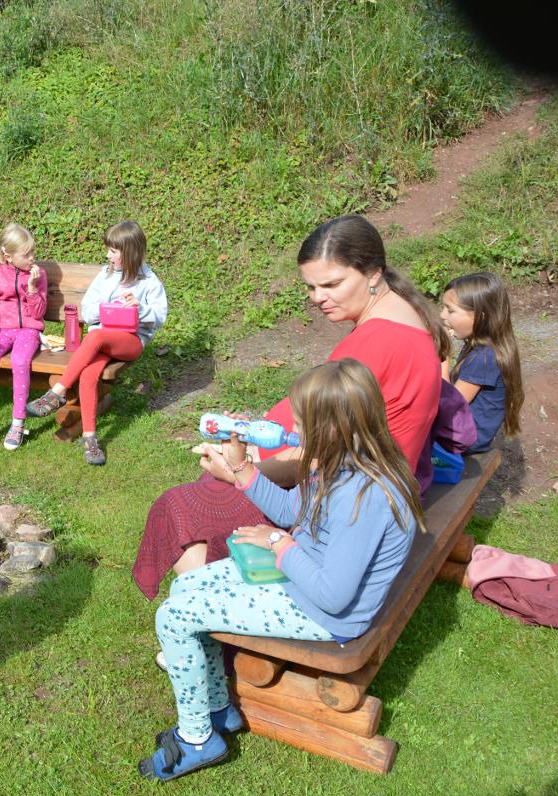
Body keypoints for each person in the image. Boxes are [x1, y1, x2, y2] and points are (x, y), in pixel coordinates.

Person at [132, 215, 446, 599]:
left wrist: (239, 470)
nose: (317, 297)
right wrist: (252, 445)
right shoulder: (397, 316)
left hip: (346, 497)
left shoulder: (378, 342)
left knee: (184, 505)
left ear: (373, 274)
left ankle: (226, 612)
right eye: (311, 286)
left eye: (331, 284)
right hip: (354, 481)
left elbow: (318, 455)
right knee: (207, 492)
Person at [140, 359, 423, 780]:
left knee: (174, 616)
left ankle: (197, 740)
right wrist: (241, 467)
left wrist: (279, 544)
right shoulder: (343, 464)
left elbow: (334, 595)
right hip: (304, 581)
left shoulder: (362, 498)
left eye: (302, 424)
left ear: (330, 429)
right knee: (186, 588)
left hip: (324, 612)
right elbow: (293, 510)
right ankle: (218, 709)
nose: (293, 431)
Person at [24, 220, 168, 465]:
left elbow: (159, 317)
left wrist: (138, 308)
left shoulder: (148, 281)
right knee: (89, 373)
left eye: (113, 251)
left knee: (95, 336)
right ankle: (90, 439)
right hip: (101, 341)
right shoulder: (105, 275)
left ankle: (57, 393)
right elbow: (88, 310)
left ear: (129, 252)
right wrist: (107, 309)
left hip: (130, 342)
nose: (107, 255)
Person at [0, 223, 48, 451]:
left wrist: (32, 288)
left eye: (33, 252)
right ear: (8, 256)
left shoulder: (39, 275)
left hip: (29, 331)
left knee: (19, 361)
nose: (32, 258)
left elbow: (38, 313)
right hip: (2, 330)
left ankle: (18, 422)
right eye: (26, 254)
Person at [439, 271, 524, 453]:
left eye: (450, 310)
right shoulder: (481, 347)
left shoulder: (484, 358)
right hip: (465, 432)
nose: (442, 315)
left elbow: (449, 405)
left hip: (465, 440)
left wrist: (442, 358)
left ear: (481, 316)